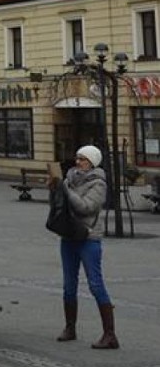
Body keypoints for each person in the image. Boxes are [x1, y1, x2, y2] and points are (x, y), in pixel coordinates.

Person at [52, 145, 119, 349]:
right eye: (77, 158)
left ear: (92, 162)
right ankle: (70, 327)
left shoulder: (98, 183)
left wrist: (65, 190)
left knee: (95, 284)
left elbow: (86, 207)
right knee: (68, 285)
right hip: (69, 236)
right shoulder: (70, 178)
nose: (78, 162)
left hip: (89, 237)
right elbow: (60, 205)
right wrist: (55, 188)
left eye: (82, 159)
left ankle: (110, 334)